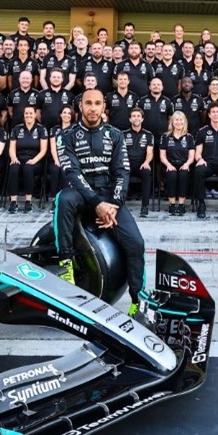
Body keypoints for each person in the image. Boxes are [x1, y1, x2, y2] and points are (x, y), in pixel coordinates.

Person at [54, 88, 147, 309]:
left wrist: (113, 206)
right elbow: (72, 173)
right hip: (80, 193)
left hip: (109, 196)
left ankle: (138, 300)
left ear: (104, 107)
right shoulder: (65, 136)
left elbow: (122, 172)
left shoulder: (115, 135)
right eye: (89, 103)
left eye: (97, 103)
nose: (93, 108)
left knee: (136, 243)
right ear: (80, 106)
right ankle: (65, 263)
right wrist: (97, 204)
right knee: (62, 199)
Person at [6, 103, 49, 213]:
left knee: (28, 168)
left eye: (31, 113)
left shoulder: (41, 129)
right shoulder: (17, 128)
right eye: (26, 113)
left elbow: (43, 150)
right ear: (23, 115)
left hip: (35, 160)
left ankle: (28, 201)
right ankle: (13, 202)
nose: (28, 115)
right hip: (19, 158)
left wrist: (34, 160)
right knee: (13, 168)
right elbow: (11, 148)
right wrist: (14, 158)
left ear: (35, 115)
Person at [160, 111, 197, 216]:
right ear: (172, 122)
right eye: (176, 120)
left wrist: (187, 164)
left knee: (183, 175)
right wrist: (168, 165)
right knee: (171, 176)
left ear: (184, 122)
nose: (178, 122)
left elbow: (191, 156)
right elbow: (162, 156)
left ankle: (181, 205)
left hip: (184, 164)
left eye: (181, 120)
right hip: (169, 164)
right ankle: (172, 204)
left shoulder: (189, 137)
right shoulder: (165, 136)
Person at [121, 108, 154, 218]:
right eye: (134, 116)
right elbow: (120, 152)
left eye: (138, 116)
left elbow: (150, 152)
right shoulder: (123, 134)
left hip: (141, 164)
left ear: (142, 119)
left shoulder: (148, 134)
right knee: (119, 174)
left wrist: (146, 162)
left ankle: (145, 206)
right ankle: (120, 205)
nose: (136, 118)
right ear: (130, 119)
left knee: (147, 173)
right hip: (127, 163)